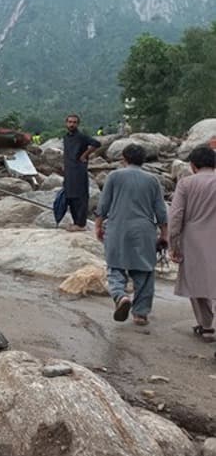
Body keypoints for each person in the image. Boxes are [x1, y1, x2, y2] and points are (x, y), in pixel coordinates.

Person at [95, 143, 168, 326]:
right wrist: (164, 234)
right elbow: (160, 210)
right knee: (144, 272)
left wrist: (98, 225)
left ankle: (121, 296)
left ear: (124, 159)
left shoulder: (114, 176)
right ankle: (140, 314)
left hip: (118, 227)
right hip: (144, 230)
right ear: (143, 160)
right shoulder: (153, 180)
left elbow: (104, 205)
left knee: (115, 267)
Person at [168, 146, 216, 340]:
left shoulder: (186, 184)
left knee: (197, 284)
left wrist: (173, 244)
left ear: (193, 165)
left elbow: (176, 215)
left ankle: (205, 326)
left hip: (193, 241)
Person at [62, 114, 101, 231]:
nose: (72, 124)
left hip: (79, 170)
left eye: (74, 122)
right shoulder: (66, 137)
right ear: (66, 123)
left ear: (78, 124)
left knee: (80, 196)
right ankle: (75, 222)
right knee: (70, 196)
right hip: (69, 170)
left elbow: (97, 144)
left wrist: (85, 155)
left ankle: (81, 224)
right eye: (69, 122)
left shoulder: (81, 137)